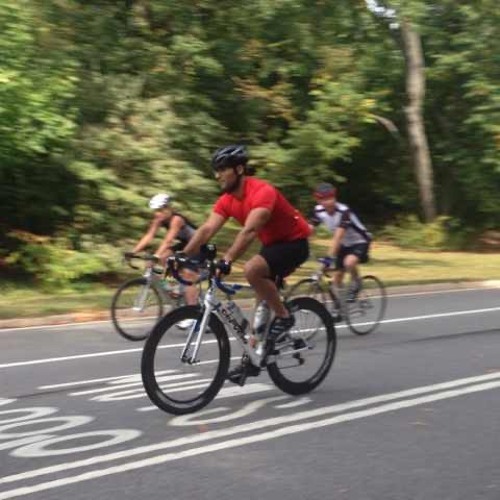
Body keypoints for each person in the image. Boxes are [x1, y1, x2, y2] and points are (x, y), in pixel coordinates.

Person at [182, 144, 312, 384]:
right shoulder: (227, 200)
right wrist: (182, 255)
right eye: (216, 170)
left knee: (252, 270)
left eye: (222, 169)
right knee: (260, 301)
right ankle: (253, 359)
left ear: (239, 169)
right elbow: (207, 229)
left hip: (295, 243)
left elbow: (250, 231)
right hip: (272, 245)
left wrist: (227, 259)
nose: (217, 175)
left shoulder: (263, 191)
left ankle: (284, 317)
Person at [130, 193, 199, 326]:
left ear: (169, 208)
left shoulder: (176, 219)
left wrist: (155, 255)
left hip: (198, 245)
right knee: (164, 257)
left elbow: (168, 241)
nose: (158, 214)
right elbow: (148, 236)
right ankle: (175, 287)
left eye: (161, 210)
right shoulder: (159, 219)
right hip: (185, 244)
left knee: (188, 274)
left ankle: (192, 314)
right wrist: (133, 252)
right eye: (156, 211)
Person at [309, 182, 372, 302]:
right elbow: (309, 228)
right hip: (344, 243)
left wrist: (328, 259)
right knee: (335, 281)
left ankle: (356, 283)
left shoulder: (344, 211)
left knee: (348, 262)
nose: (328, 202)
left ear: (334, 197)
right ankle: (338, 309)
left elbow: (337, 237)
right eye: (324, 199)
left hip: (360, 240)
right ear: (317, 200)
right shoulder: (318, 211)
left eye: (330, 198)